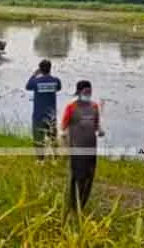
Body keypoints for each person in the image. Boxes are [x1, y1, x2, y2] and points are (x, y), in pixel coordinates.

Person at [59, 80, 104, 214]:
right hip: (77, 148)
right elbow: (63, 127)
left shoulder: (95, 106)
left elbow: (96, 125)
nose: (88, 94)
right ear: (79, 92)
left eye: (90, 91)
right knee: (77, 177)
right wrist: (63, 136)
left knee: (89, 177)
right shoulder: (71, 107)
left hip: (91, 147)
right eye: (85, 92)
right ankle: (73, 206)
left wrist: (100, 130)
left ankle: (82, 206)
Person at [25, 59, 62, 164]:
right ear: (50, 68)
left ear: (40, 69)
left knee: (38, 138)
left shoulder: (36, 82)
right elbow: (59, 88)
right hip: (51, 114)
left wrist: (34, 74)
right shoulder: (56, 81)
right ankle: (55, 158)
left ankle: (40, 160)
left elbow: (27, 86)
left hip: (38, 114)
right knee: (53, 137)